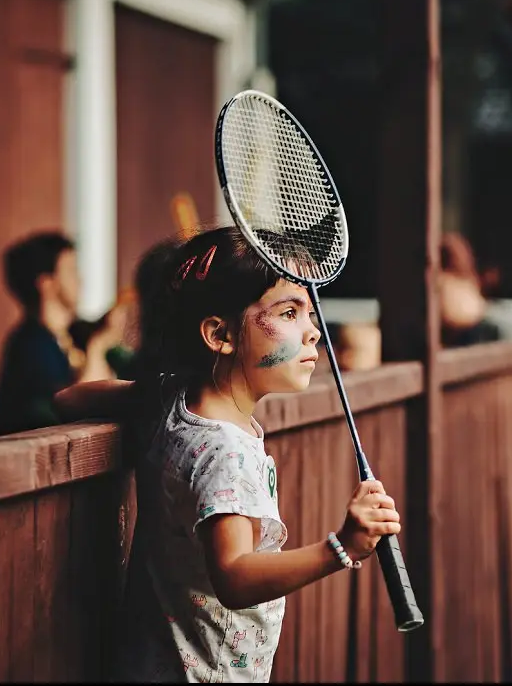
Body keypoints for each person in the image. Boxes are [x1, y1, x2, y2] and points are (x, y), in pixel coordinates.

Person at [52, 227, 401, 683]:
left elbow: (68, 399)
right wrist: (341, 548)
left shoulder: (169, 399)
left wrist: (134, 396)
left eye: (309, 314)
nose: (313, 332)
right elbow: (234, 575)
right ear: (220, 334)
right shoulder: (224, 452)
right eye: (289, 312)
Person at [0, 231, 126, 439]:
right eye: (70, 271)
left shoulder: (70, 334)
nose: (80, 279)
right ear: (46, 283)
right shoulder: (30, 345)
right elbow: (73, 409)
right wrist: (98, 348)